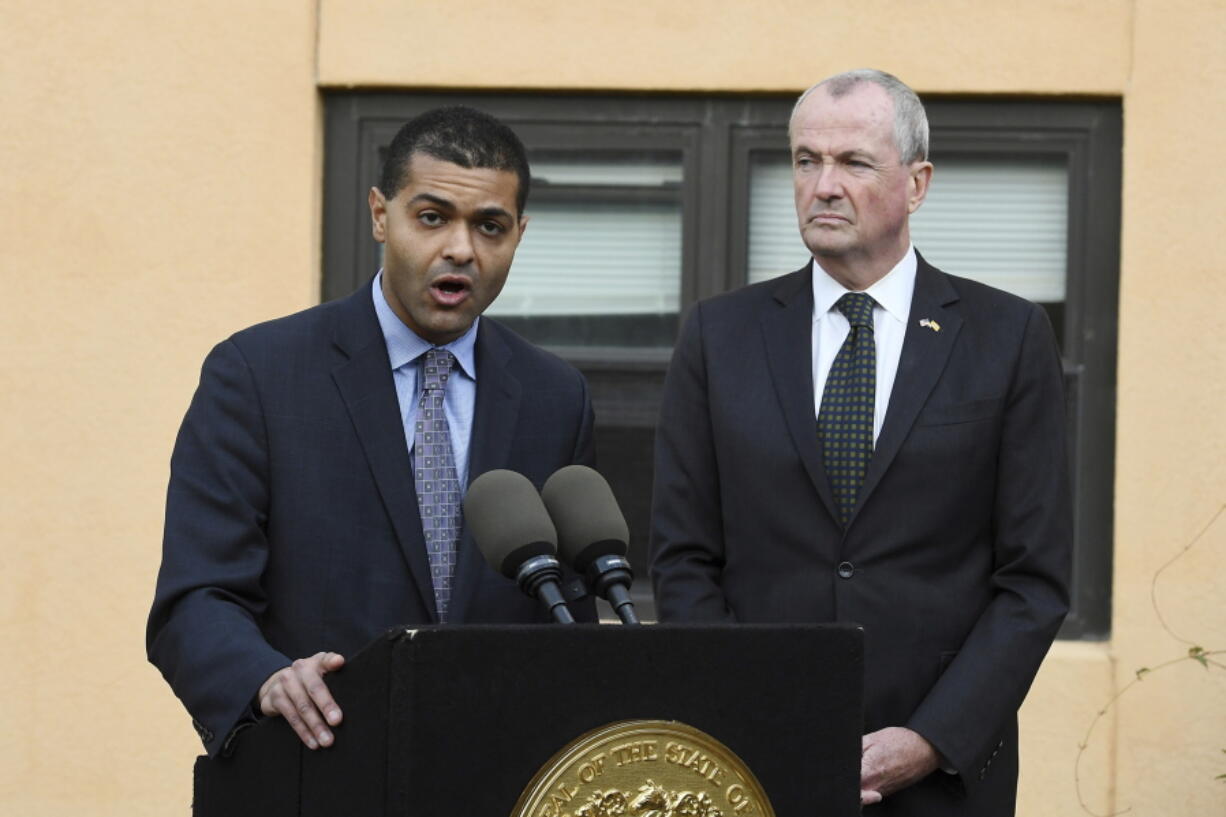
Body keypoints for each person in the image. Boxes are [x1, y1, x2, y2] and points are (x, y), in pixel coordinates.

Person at [649, 69, 1071, 815]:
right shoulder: (720, 336)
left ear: (917, 183)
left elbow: (1033, 581)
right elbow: (683, 559)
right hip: (753, 766)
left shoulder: (1006, 337)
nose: (823, 185)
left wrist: (933, 737)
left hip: (942, 778)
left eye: (853, 162)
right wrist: (751, 718)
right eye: (806, 160)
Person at [148, 106, 596, 757]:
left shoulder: (556, 397)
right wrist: (265, 679)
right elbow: (195, 598)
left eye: (490, 226)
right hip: (315, 768)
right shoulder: (258, 375)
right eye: (433, 217)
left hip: (492, 776)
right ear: (381, 214)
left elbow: (567, 620)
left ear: (519, 234)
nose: (461, 249)